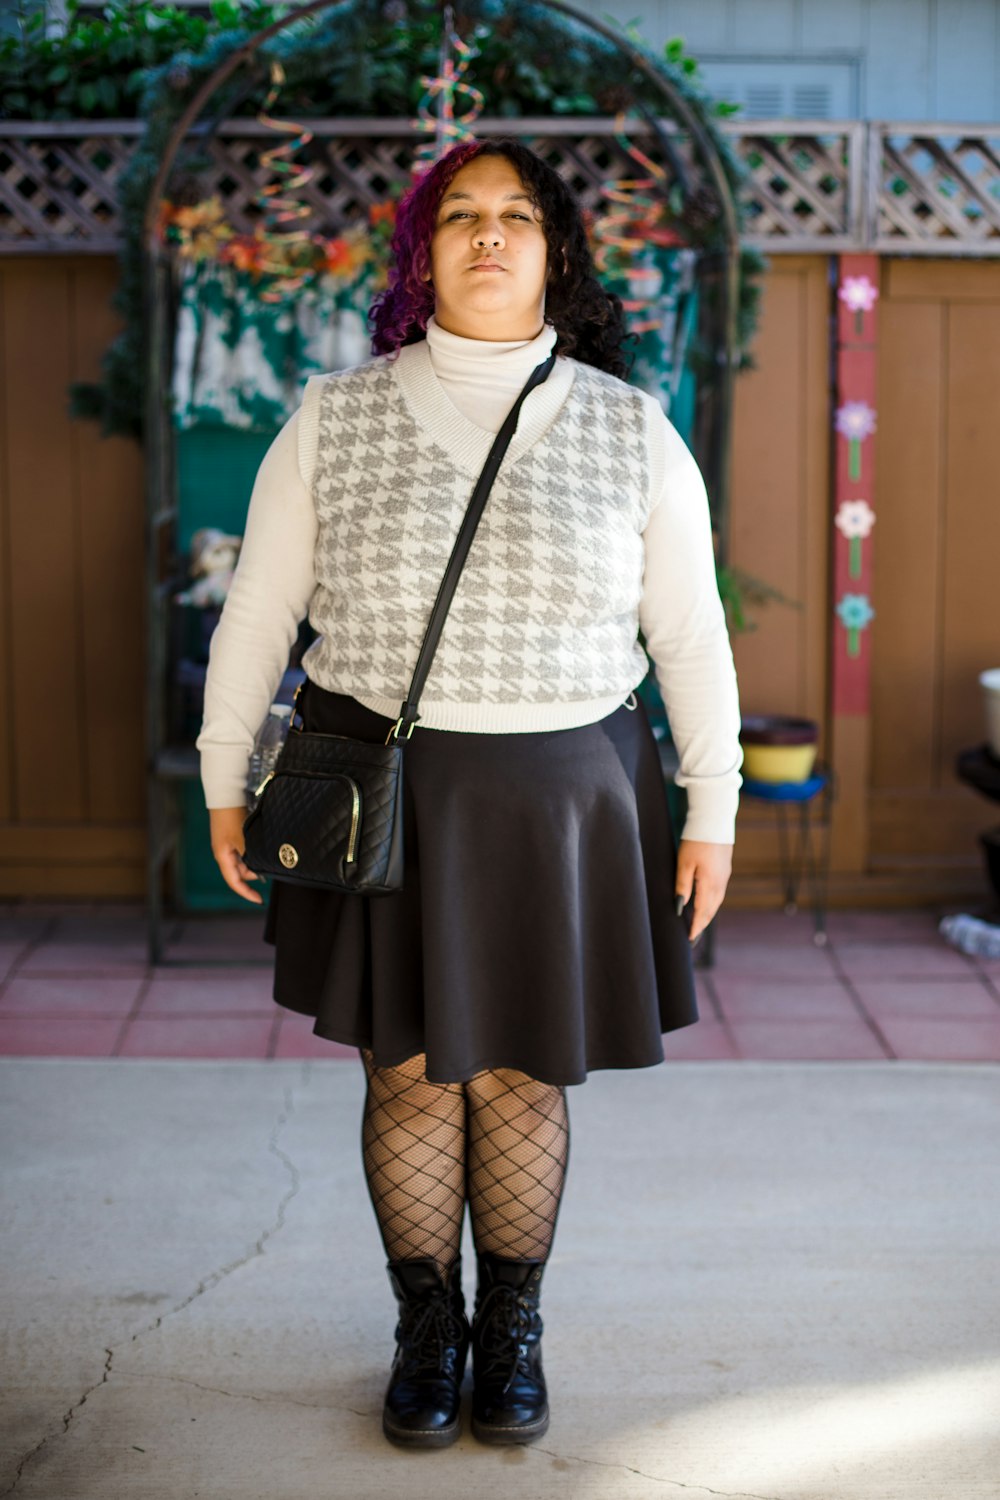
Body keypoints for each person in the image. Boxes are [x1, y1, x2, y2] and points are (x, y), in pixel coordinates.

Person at [198, 136, 742, 1450]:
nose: (488, 237)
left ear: (556, 252)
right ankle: (424, 1330)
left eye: (516, 217)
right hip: (383, 790)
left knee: (519, 1083)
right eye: (460, 217)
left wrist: (713, 799)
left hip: (563, 796)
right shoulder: (334, 416)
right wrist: (226, 774)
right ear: (421, 250)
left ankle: (514, 1334)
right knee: (409, 1075)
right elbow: (260, 609)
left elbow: (692, 632)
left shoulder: (630, 427)